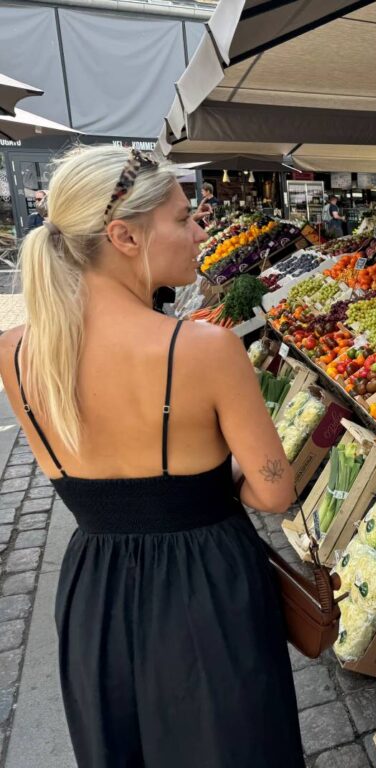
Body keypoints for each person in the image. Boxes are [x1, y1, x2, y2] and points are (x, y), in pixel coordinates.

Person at [0, 146, 303, 767]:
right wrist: (219, 481)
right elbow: (277, 492)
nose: (201, 231)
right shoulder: (204, 349)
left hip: (94, 594)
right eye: (184, 218)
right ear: (125, 235)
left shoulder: (14, 352)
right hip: (208, 588)